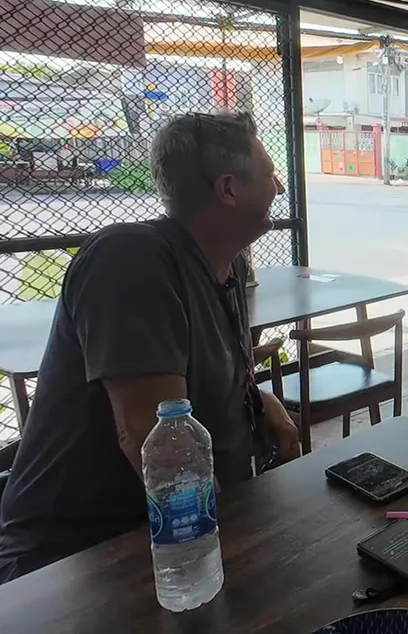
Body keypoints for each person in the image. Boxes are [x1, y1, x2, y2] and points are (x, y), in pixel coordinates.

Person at [0, 112, 298, 583]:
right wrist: (238, 545)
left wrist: (258, 400)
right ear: (228, 189)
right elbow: (157, 439)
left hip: (178, 541)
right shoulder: (131, 260)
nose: (279, 188)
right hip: (74, 561)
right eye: (269, 175)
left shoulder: (228, 268)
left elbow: (191, 380)